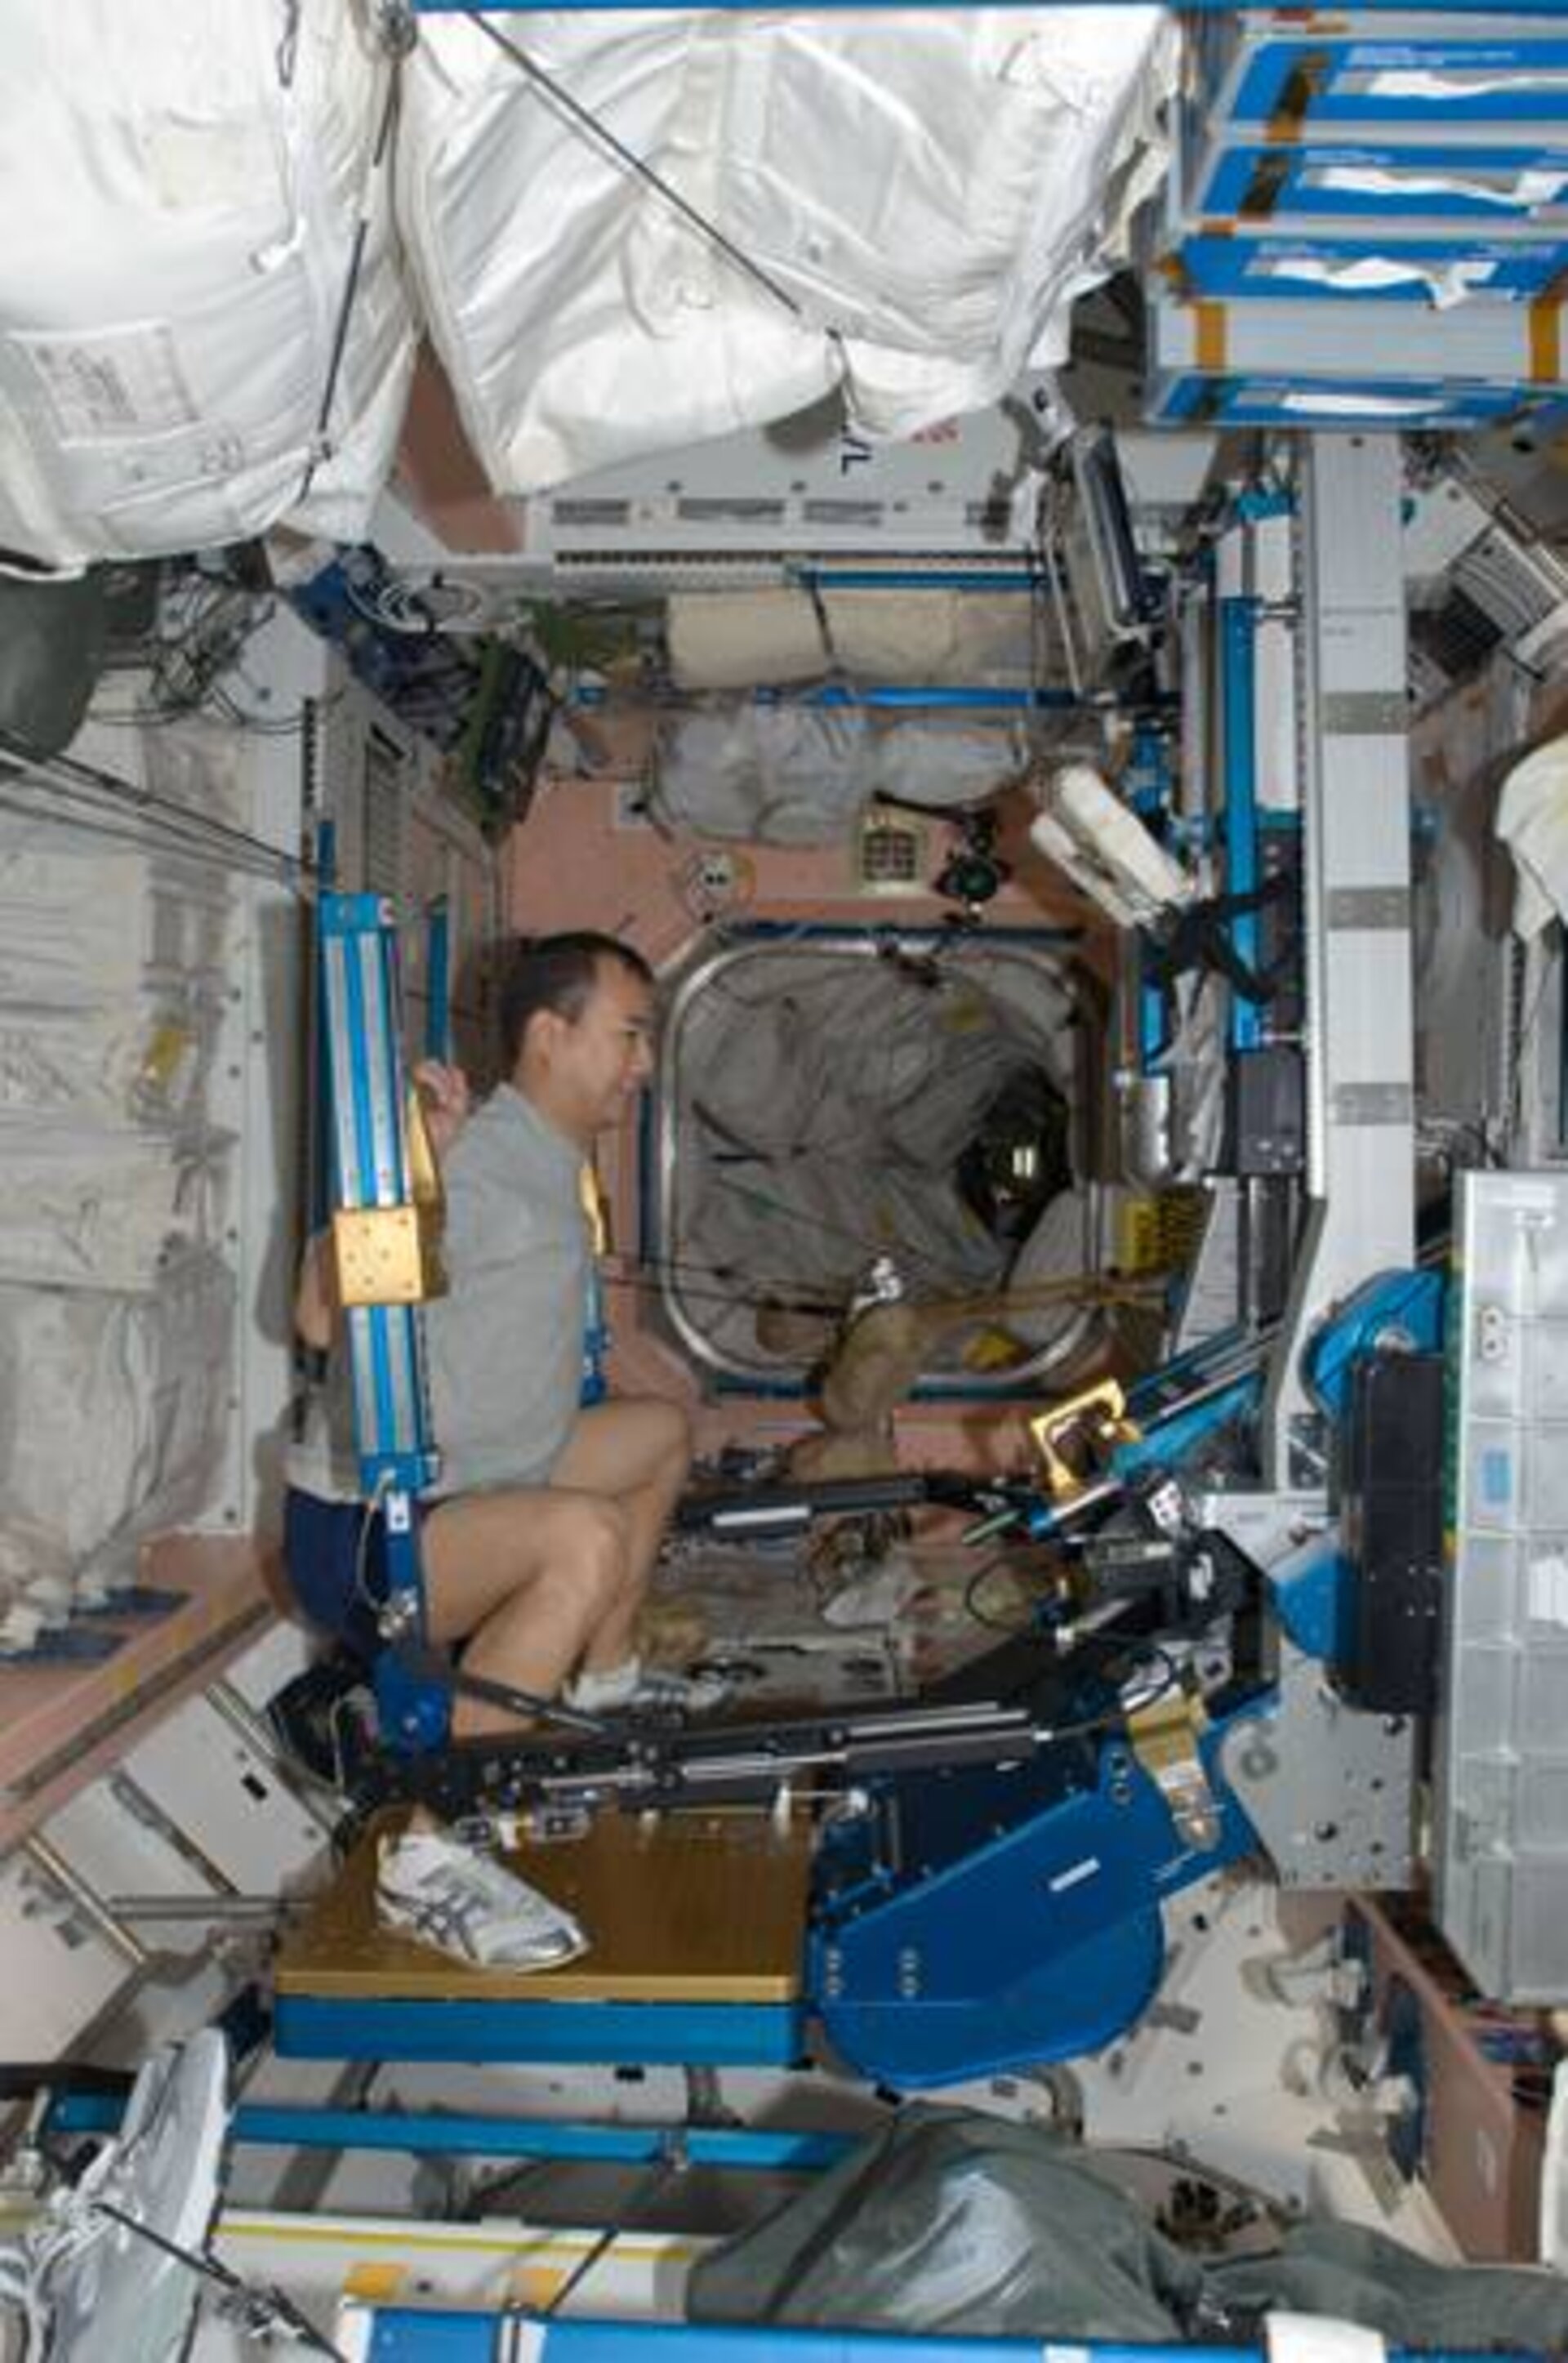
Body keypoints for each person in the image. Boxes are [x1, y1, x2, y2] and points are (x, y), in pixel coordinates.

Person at [282, 932, 722, 1967]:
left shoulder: (542, 1153)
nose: (644, 1063)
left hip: (482, 1478)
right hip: (367, 1528)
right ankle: (433, 1852)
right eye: (629, 1036)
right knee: (585, 1537)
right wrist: (417, 1177)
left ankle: (603, 1680)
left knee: (659, 1433)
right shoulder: (477, 1161)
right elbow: (314, 1314)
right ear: (549, 1035)